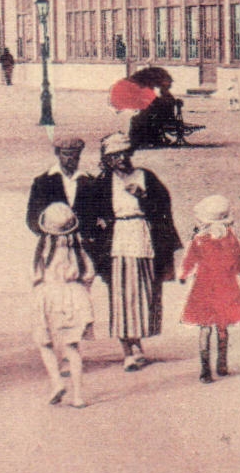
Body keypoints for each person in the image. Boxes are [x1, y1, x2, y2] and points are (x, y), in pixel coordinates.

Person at [96, 133, 181, 371]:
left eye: (124, 153)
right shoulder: (103, 182)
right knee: (121, 296)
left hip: (143, 238)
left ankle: (139, 346)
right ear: (108, 159)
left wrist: (143, 197)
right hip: (118, 242)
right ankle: (128, 351)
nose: (121, 159)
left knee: (143, 294)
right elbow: (90, 212)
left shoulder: (145, 176)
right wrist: (100, 225)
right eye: (115, 156)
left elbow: (163, 208)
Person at [179, 194, 240, 383]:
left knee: (205, 327)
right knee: (222, 325)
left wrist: (184, 275)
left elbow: (189, 260)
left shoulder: (199, 239)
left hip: (204, 287)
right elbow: (238, 259)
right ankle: (222, 363)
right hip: (226, 286)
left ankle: (205, 369)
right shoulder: (230, 238)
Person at [32, 203, 93, 408]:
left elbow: (36, 276)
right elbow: (89, 273)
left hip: (49, 293)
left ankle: (57, 382)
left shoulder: (43, 247)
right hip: (74, 294)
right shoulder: (77, 247)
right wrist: (83, 290)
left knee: (44, 342)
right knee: (72, 346)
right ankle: (78, 396)